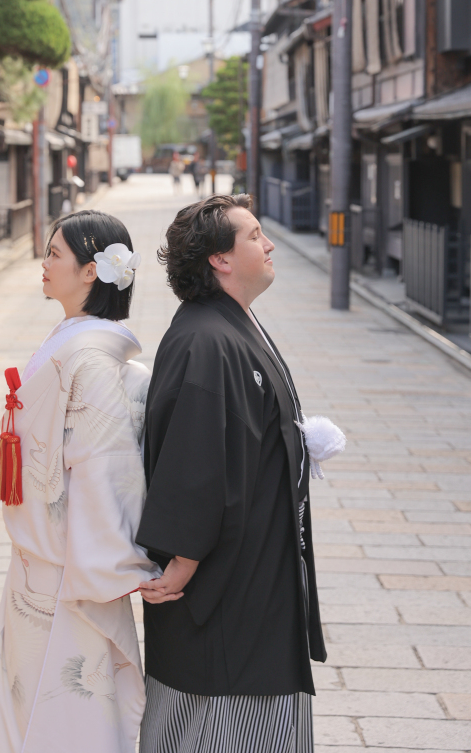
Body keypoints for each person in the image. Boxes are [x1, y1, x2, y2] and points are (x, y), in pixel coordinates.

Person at [0, 210, 160, 753]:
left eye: (54, 253)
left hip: (68, 569)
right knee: (26, 694)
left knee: (59, 704)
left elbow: (104, 467)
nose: (43, 263)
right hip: (42, 560)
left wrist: (108, 568)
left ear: (92, 272)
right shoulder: (74, 340)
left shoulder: (88, 357)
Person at [135, 194, 345, 753]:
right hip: (224, 589)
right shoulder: (208, 340)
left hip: (257, 573)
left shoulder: (229, 327)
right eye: (254, 235)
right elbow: (195, 460)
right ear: (220, 259)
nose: (269, 244)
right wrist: (181, 561)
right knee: (216, 724)